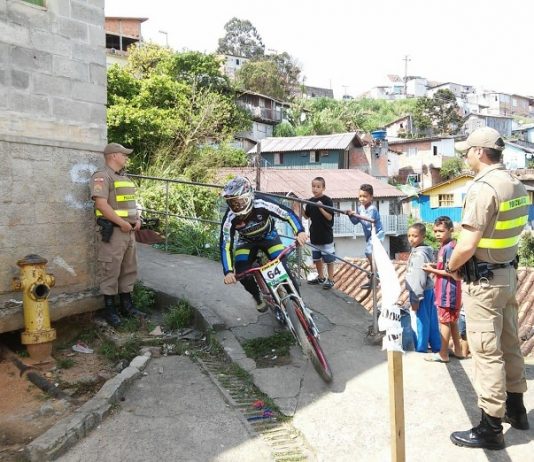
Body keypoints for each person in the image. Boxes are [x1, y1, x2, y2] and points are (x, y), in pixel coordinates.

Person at [446, 127, 530, 450]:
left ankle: (490, 427)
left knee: (486, 351)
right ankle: (516, 409)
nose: (466, 156)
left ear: (480, 152)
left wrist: (451, 266)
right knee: (510, 343)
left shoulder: (483, 189)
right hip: (508, 274)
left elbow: (466, 245)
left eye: (467, 151)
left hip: (482, 281)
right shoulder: (516, 184)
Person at [219, 177, 308, 312]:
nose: (236, 206)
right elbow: (225, 244)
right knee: (242, 273)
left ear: (249, 196)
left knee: (282, 269)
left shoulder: (261, 203)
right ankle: (257, 296)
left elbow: (286, 213)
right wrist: (228, 271)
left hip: (269, 236)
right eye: (232, 203)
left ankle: (300, 306)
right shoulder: (230, 218)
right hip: (246, 242)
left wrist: (300, 231)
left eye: (239, 201)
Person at [90, 143, 144, 327]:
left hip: (128, 231)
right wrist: (122, 223)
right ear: (113, 156)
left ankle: (127, 306)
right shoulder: (101, 177)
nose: (126, 157)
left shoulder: (125, 178)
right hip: (114, 231)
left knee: (129, 268)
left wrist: (137, 219)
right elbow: (101, 205)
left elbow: (130, 203)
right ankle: (110, 310)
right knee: (110, 269)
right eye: (124, 154)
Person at [423, 216, 463, 362]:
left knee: (444, 321)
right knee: (452, 321)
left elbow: (452, 272)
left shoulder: (449, 248)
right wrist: (433, 266)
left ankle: (443, 354)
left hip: (447, 291)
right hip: (448, 290)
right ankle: (458, 351)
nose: (437, 234)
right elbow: (444, 267)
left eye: (441, 231)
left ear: (451, 230)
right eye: (435, 231)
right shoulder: (446, 246)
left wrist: (431, 271)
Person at [405, 223, 441, 354]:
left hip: (419, 292)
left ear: (423, 236)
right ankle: (437, 346)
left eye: (415, 236)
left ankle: (421, 348)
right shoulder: (424, 251)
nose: (411, 239)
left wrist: (416, 298)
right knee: (431, 320)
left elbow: (418, 278)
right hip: (428, 290)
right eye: (409, 235)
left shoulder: (419, 255)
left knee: (420, 321)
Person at [345, 184, 385, 289]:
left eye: (365, 196)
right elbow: (355, 222)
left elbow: (368, 223)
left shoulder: (372, 209)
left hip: (377, 234)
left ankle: (376, 274)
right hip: (369, 236)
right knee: (370, 254)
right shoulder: (360, 208)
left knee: (368, 252)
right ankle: (374, 276)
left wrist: (356, 215)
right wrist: (351, 215)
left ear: (371, 197)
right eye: (360, 196)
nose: (362, 199)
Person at [304, 177, 335, 290]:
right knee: (317, 258)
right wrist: (299, 208)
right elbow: (307, 216)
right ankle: (321, 277)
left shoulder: (327, 200)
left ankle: (331, 279)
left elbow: (329, 217)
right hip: (314, 234)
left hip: (326, 234)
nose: (315, 189)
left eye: (318, 186)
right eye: (313, 186)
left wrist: (321, 207)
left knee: (329, 259)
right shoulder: (310, 201)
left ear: (323, 188)